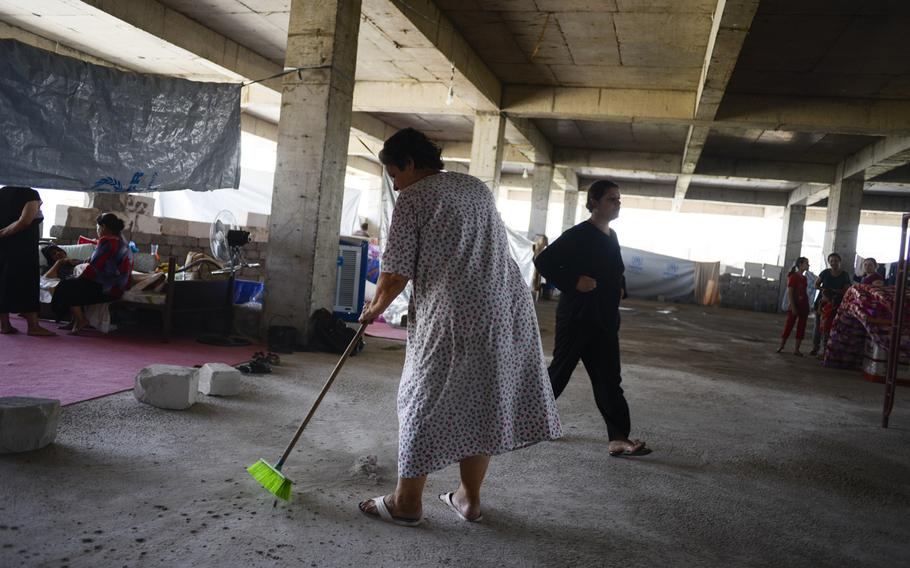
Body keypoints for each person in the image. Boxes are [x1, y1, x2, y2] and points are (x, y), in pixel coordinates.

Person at [357, 128, 561, 526]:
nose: (396, 186)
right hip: (506, 309)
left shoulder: (414, 199)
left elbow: (395, 273)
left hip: (454, 315)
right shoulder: (474, 187)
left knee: (420, 400)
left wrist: (372, 310)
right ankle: (468, 499)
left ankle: (407, 503)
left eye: (395, 175)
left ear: (411, 164)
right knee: (478, 402)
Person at [534, 180, 649, 457]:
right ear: (594, 203)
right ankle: (530, 422)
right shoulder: (579, 235)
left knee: (609, 379)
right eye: (611, 199)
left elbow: (616, 269)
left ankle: (619, 438)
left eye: (619, 199)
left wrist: (621, 287)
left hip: (605, 320)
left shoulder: (613, 236)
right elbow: (543, 261)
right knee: (559, 373)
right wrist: (573, 281)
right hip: (577, 318)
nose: (617, 203)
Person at [51, 213, 132, 334]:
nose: (97, 230)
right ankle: (74, 322)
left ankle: (81, 320)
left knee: (66, 286)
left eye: (97, 227)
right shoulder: (122, 242)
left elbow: (93, 269)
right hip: (118, 287)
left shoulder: (107, 242)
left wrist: (78, 277)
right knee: (72, 283)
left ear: (103, 227)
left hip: (108, 289)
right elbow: (99, 263)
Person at [0, 186, 55, 336]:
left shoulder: (2, 192)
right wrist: (3, 233)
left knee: (3, 282)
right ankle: (33, 326)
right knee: (27, 282)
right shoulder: (30, 193)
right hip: (22, 247)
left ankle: (4, 325)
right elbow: (24, 221)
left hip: (3, 248)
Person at [809, 253, 852, 356]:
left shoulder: (844, 275)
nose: (834, 263)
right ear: (829, 262)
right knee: (818, 326)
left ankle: (826, 349)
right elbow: (816, 284)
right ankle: (815, 347)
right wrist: (824, 290)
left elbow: (846, 289)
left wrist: (835, 291)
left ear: (839, 261)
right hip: (822, 304)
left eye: (836, 260)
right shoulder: (825, 273)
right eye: (831, 261)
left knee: (829, 327)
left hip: (835, 305)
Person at [777, 257, 810, 356]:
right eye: (806, 263)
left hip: (804, 305)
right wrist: (793, 305)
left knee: (802, 326)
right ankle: (782, 345)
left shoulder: (804, 278)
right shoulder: (793, 277)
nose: (808, 265)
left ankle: (797, 349)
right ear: (800, 265)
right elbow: (790, 293)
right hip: (795, 304)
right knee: (789, 325)